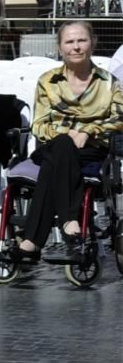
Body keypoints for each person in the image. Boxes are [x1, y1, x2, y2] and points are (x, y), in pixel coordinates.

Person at [13, 22, 123, 263]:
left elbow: (119, 119)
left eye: (81, 40)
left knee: (55, 162)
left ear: (92, 43)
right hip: (52, 145)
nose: (76, 47)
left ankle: (32, 240)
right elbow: (39, 125)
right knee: (62, 144)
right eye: (69, 42)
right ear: (60, 47)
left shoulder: (108, 81)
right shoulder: (48, 81)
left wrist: (89, 132)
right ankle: (69, 219)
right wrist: (72, 134)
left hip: (91, 150)